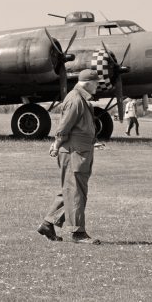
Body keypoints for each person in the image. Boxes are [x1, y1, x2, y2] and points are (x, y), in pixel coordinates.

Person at [37, 69, 100, 244]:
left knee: (71, 189)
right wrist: (56, 145)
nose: (98, 86)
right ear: (88, 83)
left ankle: (48, 223)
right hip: (74, 152)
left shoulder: (80, 99)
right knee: (75, 192)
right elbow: (64, 127)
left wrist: (92, 141)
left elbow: (80, 126)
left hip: (80, 151)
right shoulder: (76, 100)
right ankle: (77, 233)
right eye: (96, 83)